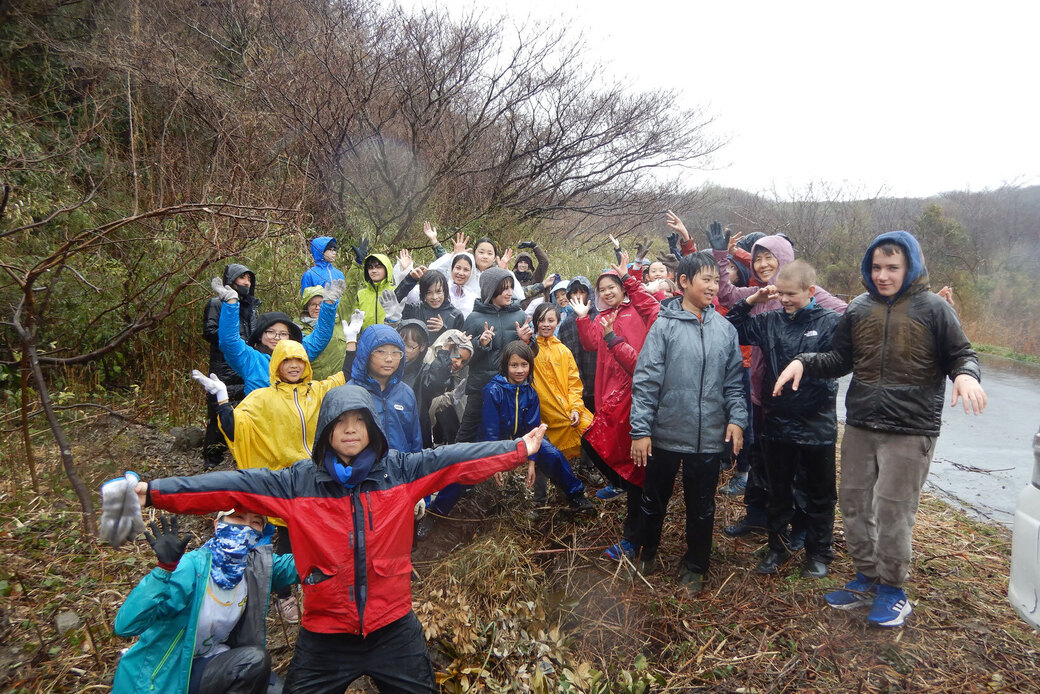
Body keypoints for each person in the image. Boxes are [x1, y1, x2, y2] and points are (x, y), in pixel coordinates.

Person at [99, 386, 549, 692]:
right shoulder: (297, 483)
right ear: (326, 430)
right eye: (340, 421)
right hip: (325, 634)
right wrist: (153, 492)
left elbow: (455, 460)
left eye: (359, 421)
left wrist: (517, 450)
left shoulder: (401, 472)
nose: (350, 429)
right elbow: (231, 486)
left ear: (373, 428)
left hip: (393, 628)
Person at [772, 230, 986, 628]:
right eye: (876, 267)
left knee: (893, 511)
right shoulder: (859, 308)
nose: (883, 275)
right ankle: (866, 578)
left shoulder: (934, 308)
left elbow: (961, 354)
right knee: (854, 504)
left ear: (910, 267)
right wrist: (804, 360)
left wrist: (966, 375)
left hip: (911, 429)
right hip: (861, 424)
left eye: (892, 267)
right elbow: (839, 359)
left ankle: (892, 590)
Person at [191, 329, 359, 622]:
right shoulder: (262, 398)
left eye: (299, 360)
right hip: (286, 480)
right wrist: (222, 399)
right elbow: (235, 428)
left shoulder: (317, 391)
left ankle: (320, 584)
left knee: (321, 532)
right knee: (289, 539)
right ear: (276, 365)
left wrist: (352, 339)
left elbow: (345, 375)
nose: (294, 366)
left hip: (318, 476)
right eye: (287, 361)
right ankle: (284, 595)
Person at [629, 252, 746, 593]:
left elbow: (734, 383)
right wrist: (641, 431)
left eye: (716, 280)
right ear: (684, 282)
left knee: (702, 507)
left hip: (707, 436)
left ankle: (696, 566)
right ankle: (645, 553)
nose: (713, 287)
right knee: (653, 500)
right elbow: (646, 381)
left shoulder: (725, 329)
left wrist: (737, 419)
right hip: (665, 432)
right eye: (706, 279)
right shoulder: (664, 326)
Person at [725, 260, 842, 579]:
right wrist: (752, 300)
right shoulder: (770, 320)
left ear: (811, 291)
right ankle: (776, 548)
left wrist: (808, 362)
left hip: (818, 422)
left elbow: (842, 360)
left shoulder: (830, 322)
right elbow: (731, 328)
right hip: (778, 421)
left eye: (792, 294)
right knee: (778, 490)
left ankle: (818, 552)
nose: (785, 299)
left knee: (819, 493)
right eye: (782, 294)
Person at [111, 510, 297, 694]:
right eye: (238, 517)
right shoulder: (190, 568)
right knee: (253, 661)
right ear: (217, 524)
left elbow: (300, 565)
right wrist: (163, 571)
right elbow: (126, 625)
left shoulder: (254, 566)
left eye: (256, 522)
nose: (246, 527)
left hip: (215, 662)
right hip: (164, 676)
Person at [426, 341, 593, 524]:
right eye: (514, 365)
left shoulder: (531, 393)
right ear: (506, 366)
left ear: (530, 366)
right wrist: (495, 463)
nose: (519, 370)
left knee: (552, 454)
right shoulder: (493, 390)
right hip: (492, 443)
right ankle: (436, 512)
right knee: (464, 467)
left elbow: (533, 430)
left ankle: (575, 494)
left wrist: (532, 462)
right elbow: (490, 430)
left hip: (521, 441)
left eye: (524, 365)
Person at [572, 249, 660, 555]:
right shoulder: (601, 317)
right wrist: (582, 318)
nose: (608, 293)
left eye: (612, 287)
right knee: (598, 444)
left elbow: (640, 360)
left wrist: (631, 275)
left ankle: (635, 535)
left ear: (623, 288)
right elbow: (590, 343)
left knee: (633, 462)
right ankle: (622, 484)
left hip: (635, 394)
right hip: (608, 393)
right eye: (602, 289)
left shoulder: (638, 312)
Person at [214, 277, 344, 395]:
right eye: (270, 332)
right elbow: (229, 342)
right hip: (262, 413)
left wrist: (328, 304)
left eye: (283, 333)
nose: (276, 337)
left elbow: (320, 337)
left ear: (290, 337)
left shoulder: (298, 353)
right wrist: (230, 303)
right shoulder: (251, 359)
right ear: (260, 336)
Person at [457, 267, 534, 442]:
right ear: (491, 290)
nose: (510, 292)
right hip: (480, 388)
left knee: (508, 434)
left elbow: (533, 353)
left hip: (511, 388)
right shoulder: (474, 318)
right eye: (504, 288)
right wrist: (480, 343)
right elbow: (461, 357)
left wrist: (526, 341)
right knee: (466, 435)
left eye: (511, 287)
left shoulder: (520, 316)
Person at [201, 264, 259, 469]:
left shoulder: (252, 306)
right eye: (242, 278)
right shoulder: (216, 303)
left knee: (245, 408)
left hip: (246, 363)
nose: (246, 283)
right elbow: (209, 331)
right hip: (223, 364)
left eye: (249, 279)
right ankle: (212, 458)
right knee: (219, 408)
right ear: (231, 280)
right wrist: (233, 341)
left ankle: (241, 453)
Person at [531, 303, 593, 460]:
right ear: (535, 322)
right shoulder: (530, 350)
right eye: (541, 320)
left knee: (590, 426)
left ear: (558, 322)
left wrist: (575, 408)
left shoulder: (564, 351)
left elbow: (574, 384)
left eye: (550, 320)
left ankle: (586, 465)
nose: (546, 324)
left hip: (567, 407)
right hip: (544, 412)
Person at [348, 323, 423, 453]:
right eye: (380, 351)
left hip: (401, 464)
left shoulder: (406, 393)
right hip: (365, 465)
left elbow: (415, 439)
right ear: (366, 354)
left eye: (396, 352)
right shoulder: (350, 393)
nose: (389, 359)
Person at [416, 329, 473, 448]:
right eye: (457, 356)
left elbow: (432, 403)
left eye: (463, 362)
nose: (459, 364)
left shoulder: (451, 374)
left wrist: (451, 397)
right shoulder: (425, 358)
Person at [557, 276, 597, 413]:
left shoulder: (599, 317)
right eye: (574, 292)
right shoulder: (567, 323)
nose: (578, 296)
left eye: (582, 292)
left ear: (589, 293)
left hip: (599, 383)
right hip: (577, 387)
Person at [400, 269, 465, 340]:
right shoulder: (415, 310)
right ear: (423, 293)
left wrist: (443, 330)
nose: (434, 297)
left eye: (438, 291)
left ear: (445, 291)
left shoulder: (456, 315)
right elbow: (394, 302)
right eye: (429, 292)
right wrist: (410, 279)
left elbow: (461, 343)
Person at [396, 319, 431, 391]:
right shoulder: (388, 365)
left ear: (422, 346)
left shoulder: (425, 372)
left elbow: (437, 383)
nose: (403, 349)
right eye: (400, 344)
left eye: (409, 346)